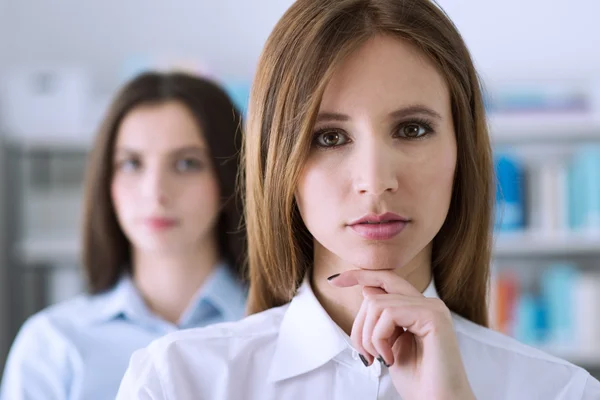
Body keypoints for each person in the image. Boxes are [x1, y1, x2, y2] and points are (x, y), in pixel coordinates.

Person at [116, 1, 600, 399]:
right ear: (279, 162)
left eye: (412, 129)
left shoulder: (559, 391)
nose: (375, 181)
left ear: (462, 151)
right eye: (329, 137)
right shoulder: (176, 380)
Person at [0, 71, 247, 400]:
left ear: (228, 180)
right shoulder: (53, 344)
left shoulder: (283, 329)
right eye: (131, 164)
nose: (155, 192)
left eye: (187, 163)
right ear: (107, 182)